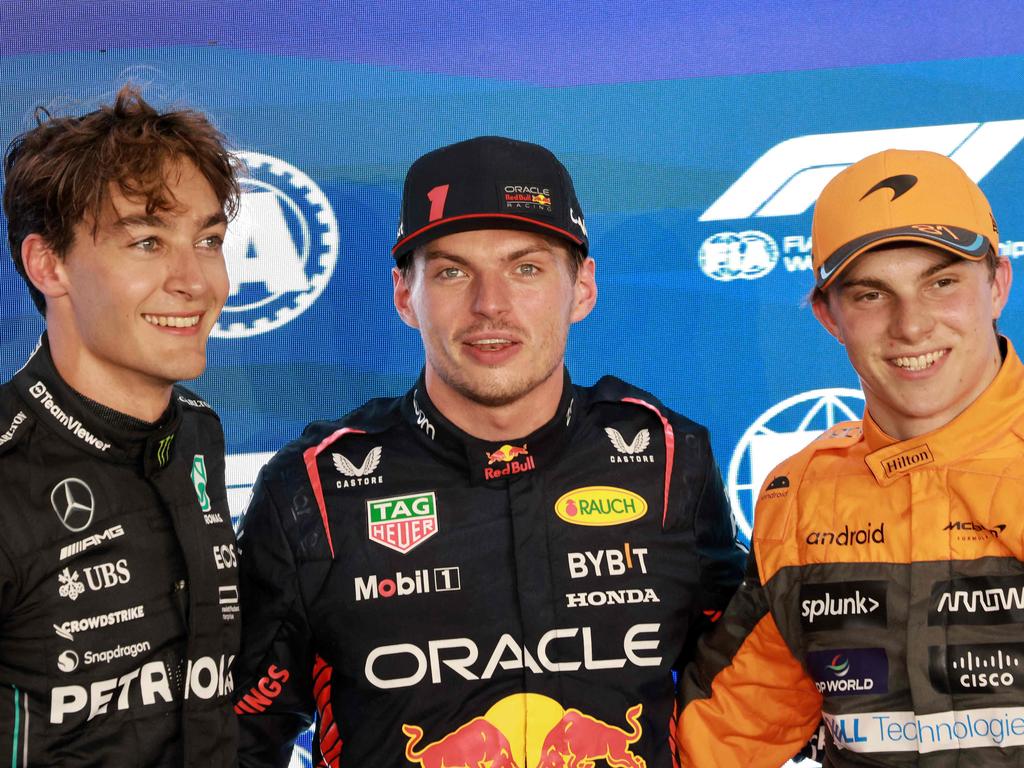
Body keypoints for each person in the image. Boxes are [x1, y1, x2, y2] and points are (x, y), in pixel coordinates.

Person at [233, 135, 746, 767]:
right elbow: (234, 734)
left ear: (583, 287)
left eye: (525, 267)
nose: (490, 306)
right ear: (403, 294)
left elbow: (750, 686)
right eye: (452, 272)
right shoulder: (314, 487)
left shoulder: (666, 458)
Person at [679, 149, 1024, 766]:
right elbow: (721, 735)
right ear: (828, 317)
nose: (911, 325)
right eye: (871, 295)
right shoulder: (803, 498)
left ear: (997, 283)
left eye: (941, 282)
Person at [0, 85, 241, 766]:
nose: (193, 280)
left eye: (208, 240)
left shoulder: (199, 435)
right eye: (145, 241)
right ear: (49, 264)